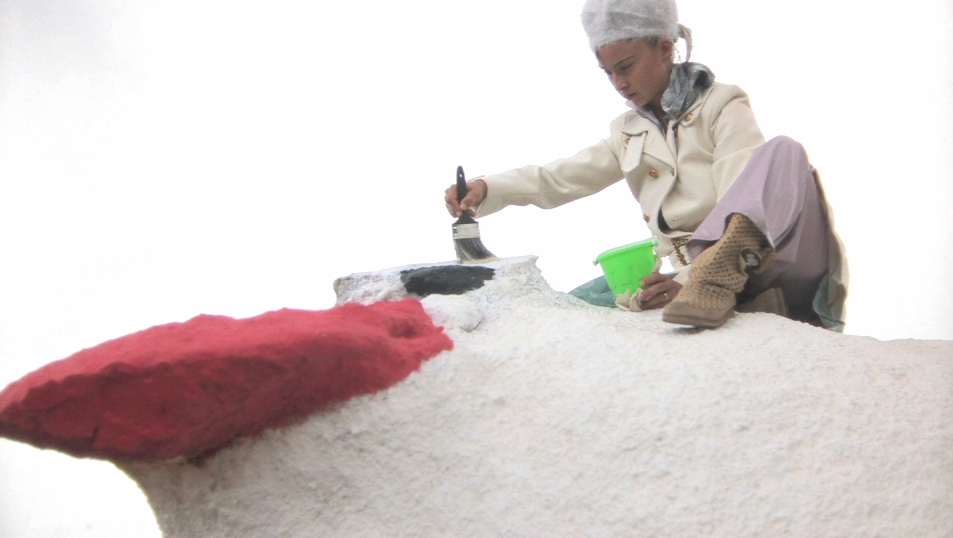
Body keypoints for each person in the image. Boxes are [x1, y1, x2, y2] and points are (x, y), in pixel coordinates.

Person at [444, 0, 847, 331]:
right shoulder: (627, 132)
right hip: (690, 278)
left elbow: (738, 188)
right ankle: (704, 281)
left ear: (666, 49)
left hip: (774, 263)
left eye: (626, 66)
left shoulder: (722, 103)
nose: (619, 83)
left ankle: (714, 275)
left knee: (783, 153)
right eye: (608, 73)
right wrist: (489, 188)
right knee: (582, 301)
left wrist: (691, 279)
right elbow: (559, 178)